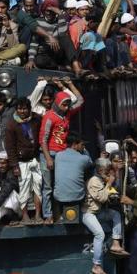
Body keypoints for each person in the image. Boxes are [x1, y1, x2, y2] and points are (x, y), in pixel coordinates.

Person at [39, 90, 84, 224]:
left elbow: (80, 100)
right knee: (47, 186)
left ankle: (62, 214)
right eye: (64, 104)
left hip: (61, 155)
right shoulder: (49, 116)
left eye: (68, 104)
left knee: (60, 185)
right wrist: (48, 159)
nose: (66, 107)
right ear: (57, 103)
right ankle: (48, 215)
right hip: (49, 154)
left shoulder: (67, 114)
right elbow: (43, 140)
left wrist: (68, 85)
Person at [82, 158, 129, 274]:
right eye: (107, 170)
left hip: (99, 212)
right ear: (100, 169)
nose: (108, 173)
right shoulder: (94, 181)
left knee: (116, 215)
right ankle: (96, 266)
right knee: (100, 235)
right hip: (89, 213)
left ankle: (115, 243)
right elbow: (102, 198)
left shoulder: (101, 180)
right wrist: (109, 184)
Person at [4, 97, 43, 224]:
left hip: (35, 159)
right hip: (21, 162)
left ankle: (37, 215)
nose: (22, 111)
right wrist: (14, 165)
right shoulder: (11, 124)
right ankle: (25, 216)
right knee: (24, 188)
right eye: (19, 109)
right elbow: (10, 148)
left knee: (38, 187)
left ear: (29, 109)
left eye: (24, 108)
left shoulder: (37, 119)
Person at [53, 134, 92, 207]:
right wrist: (85, 150)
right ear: (74, 145)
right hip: (78, 197)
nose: (83, 147)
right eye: (82, 145)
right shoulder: (84, 158)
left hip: (59, 197)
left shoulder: (58, 155)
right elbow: (90, 163)